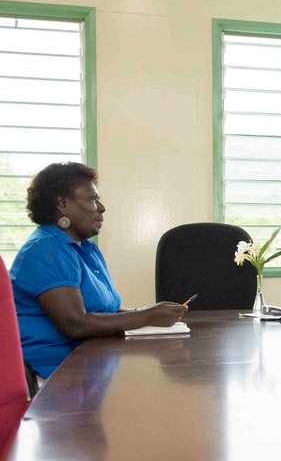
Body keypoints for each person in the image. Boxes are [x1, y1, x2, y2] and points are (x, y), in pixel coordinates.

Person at [11, 162, 187, 380]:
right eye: (93, 199)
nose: (101, 207)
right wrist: (147, 315)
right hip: (51, 378)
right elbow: (74, 324)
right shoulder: (44, 250)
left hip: (89, 365)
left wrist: (152, 311)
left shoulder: (86, 249)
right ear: (63, 204)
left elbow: (107, 311)